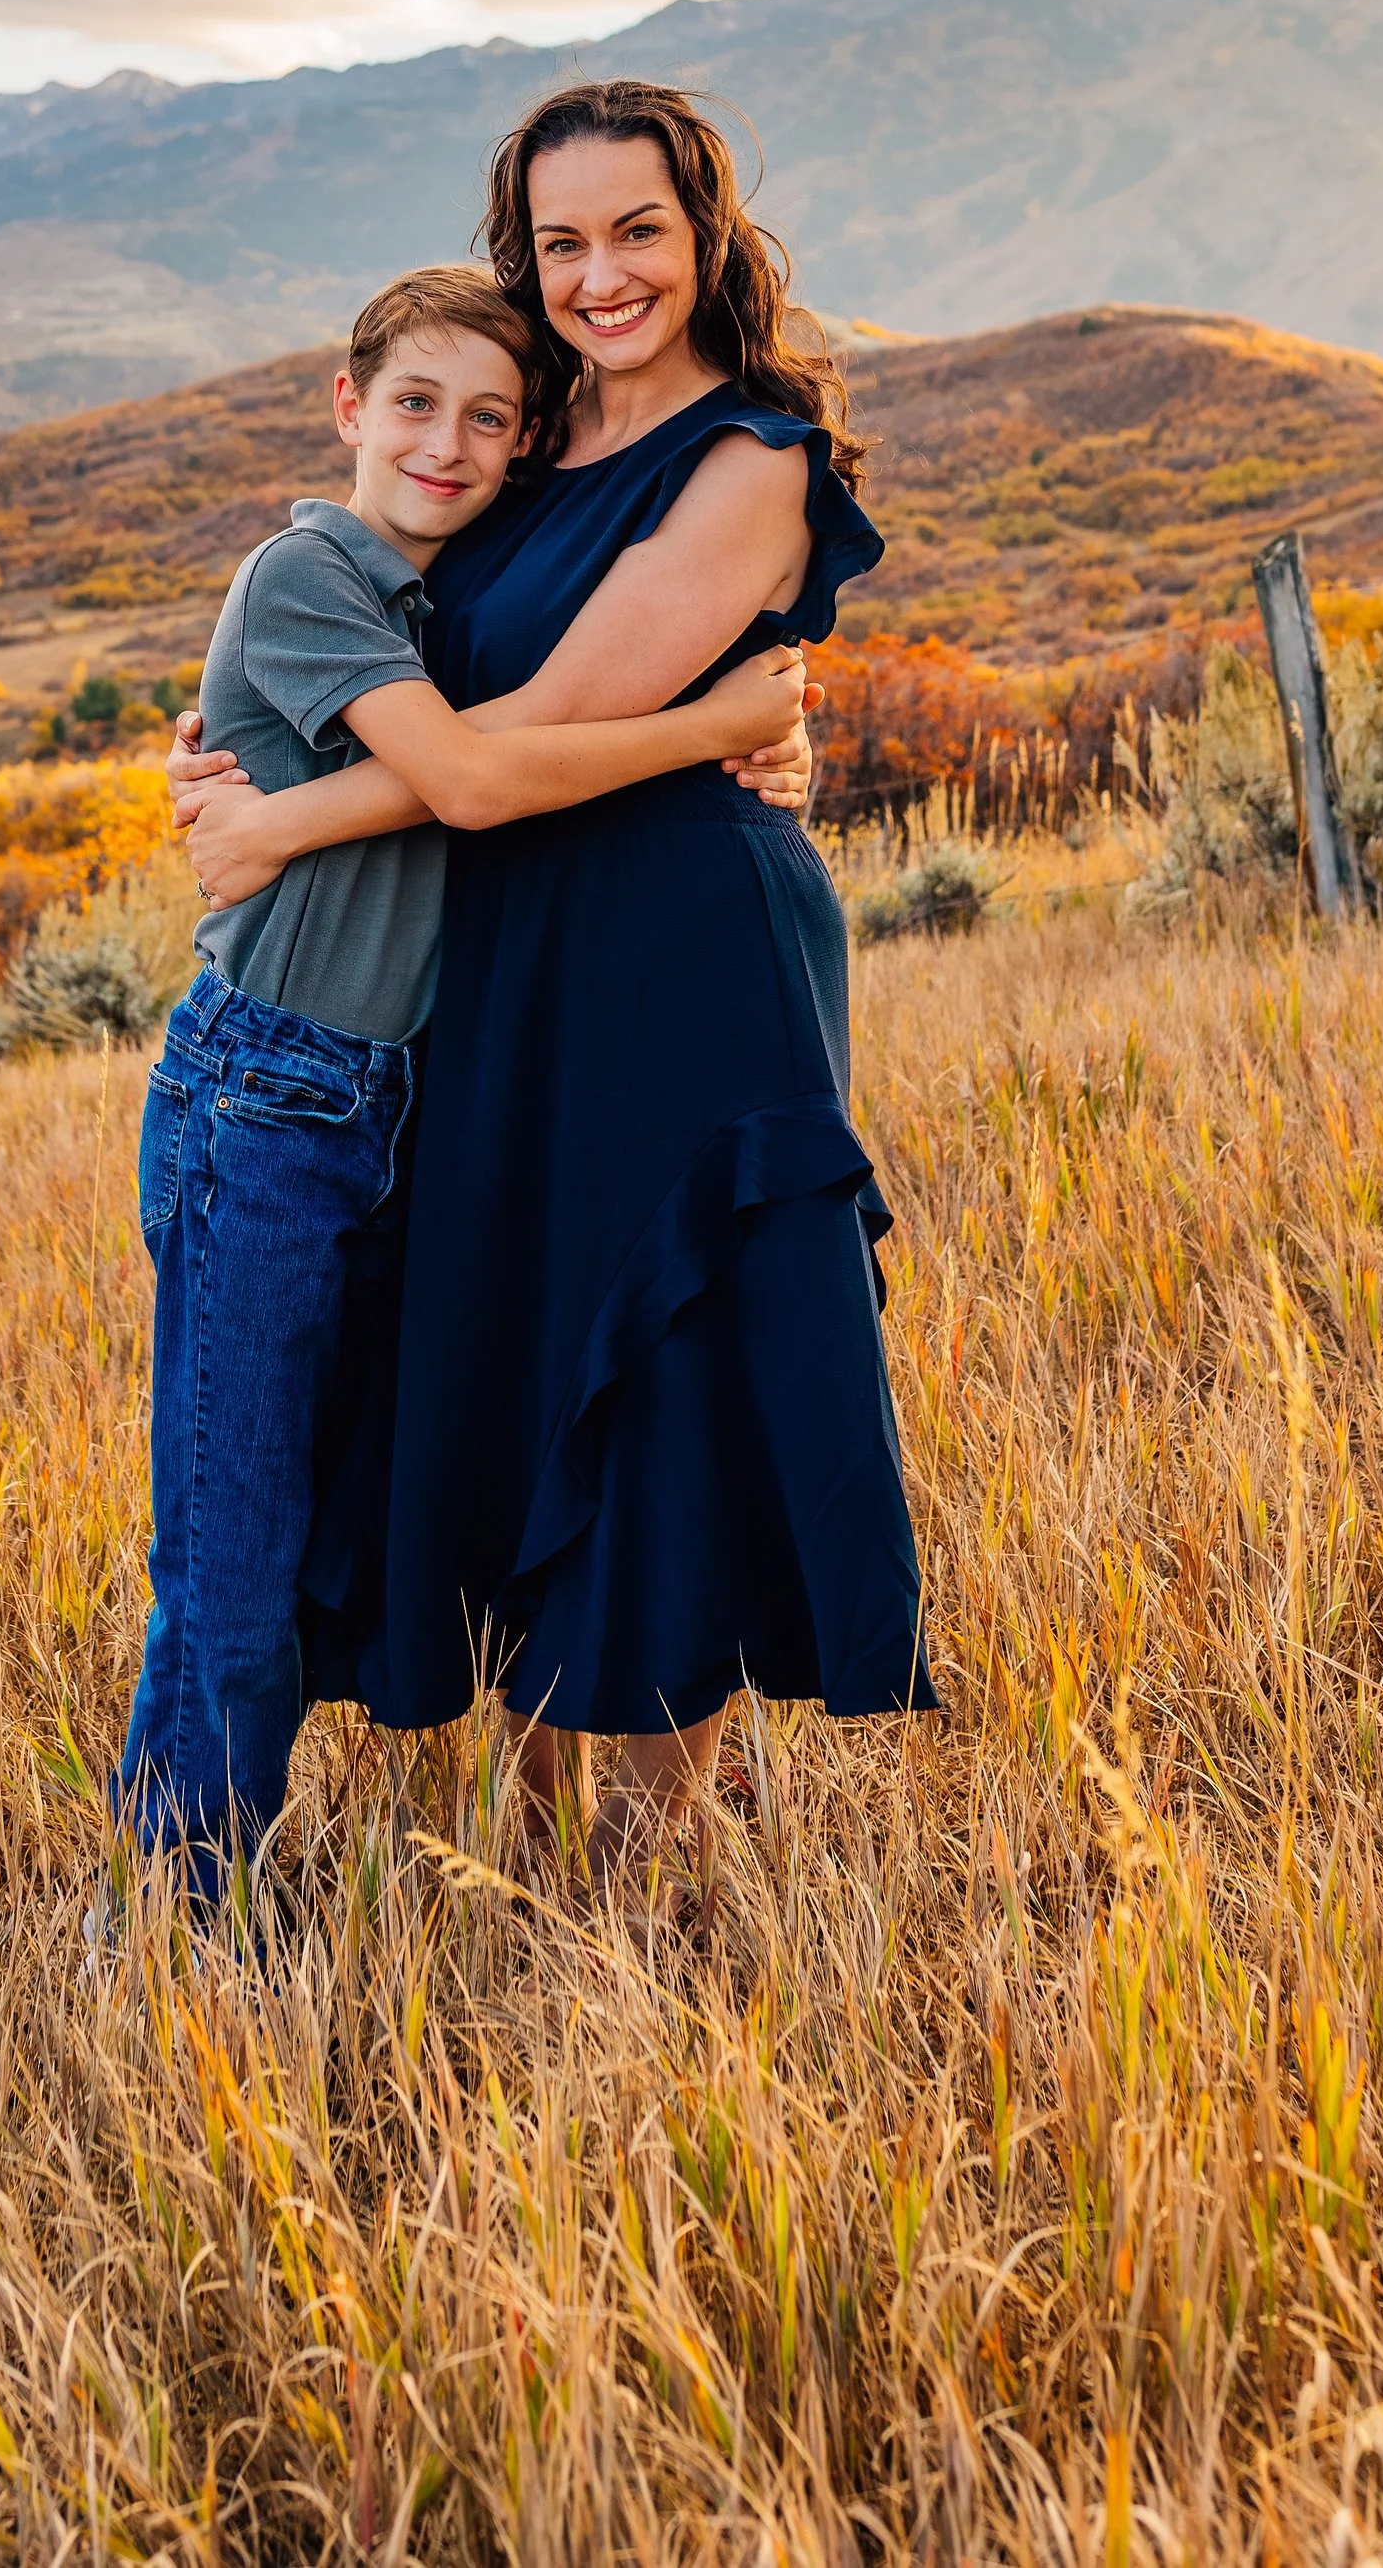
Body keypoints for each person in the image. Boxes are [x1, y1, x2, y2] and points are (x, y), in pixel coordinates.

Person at [177, 82, 935, 1867]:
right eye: (561, 241)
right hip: (503, 959)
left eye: (639, 233)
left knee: (651, 1363)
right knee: (510, 1359)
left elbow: (520, 734)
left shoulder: (750, 460)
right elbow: (386, 640)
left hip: (676, 962)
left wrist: (281, 830)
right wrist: (235, 756)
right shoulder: (519, 438)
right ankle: (532, 1849)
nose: (600, 276)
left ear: (708, 234)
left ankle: (645, 1880)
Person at [118, 261, 812, 1899]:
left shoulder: (454, 592)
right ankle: (173, 1917)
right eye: (416, 403)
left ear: (525, 447)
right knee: (232, 1544)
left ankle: (224, 1879)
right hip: (270, 1104)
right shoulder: (306, 576)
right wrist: (714, 718)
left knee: (321, 1520)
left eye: (490, 416)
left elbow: (534, 729)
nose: (447, 441)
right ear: (348, 407)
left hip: (408, 1107)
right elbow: (476, 782)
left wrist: (773, 741)